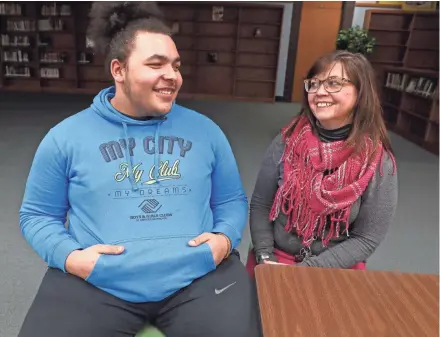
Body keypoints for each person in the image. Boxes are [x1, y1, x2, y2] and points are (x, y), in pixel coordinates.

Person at [18, 2, 260, 337]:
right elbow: (37, 214)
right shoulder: (65, 138)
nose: (172, 76)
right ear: (118, 70)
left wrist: (222, 239)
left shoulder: (207, 132)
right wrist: (72, 258)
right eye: (156, 64)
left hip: (198, 275)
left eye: (175, 65)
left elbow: (231, 201)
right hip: (98, 281)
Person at [247, 50, 398, 275]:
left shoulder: (377, 161)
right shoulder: (287, 141)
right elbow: (261, 205)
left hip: (335, 269)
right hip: (274, 261)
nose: (320, 92)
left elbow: (366, 238)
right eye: (314, 84)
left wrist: (306, 271)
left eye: (333, 83)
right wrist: (265, 255)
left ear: (361, 94)